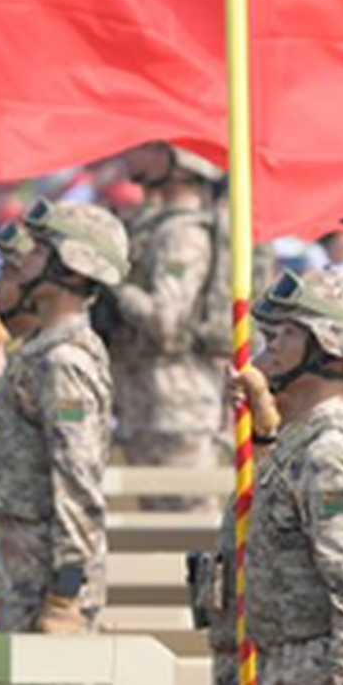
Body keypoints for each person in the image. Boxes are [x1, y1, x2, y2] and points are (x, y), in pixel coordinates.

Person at [218, 270, 343, 685]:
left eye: (290, 333)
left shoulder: (330, 455)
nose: (272, 344)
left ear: (333, 354)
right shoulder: (297, 443)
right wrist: (264, 425)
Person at [0, 200, 123, 633]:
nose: (25, 261)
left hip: (46, 580)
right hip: (21, 569)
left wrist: (66, 591)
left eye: (38, 252)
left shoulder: (65, 362)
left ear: (71, 271)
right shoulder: (42, 351)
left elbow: (78, 481)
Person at [111, 143, 227, 511]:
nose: (130, 154)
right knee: (158, 542)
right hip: (147, 404)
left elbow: (167, 322)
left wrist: (117, 288)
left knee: (190, 531)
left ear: (175, 163)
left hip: (179, 408)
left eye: (147, 147)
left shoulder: (182, 234)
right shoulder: (152, 226)